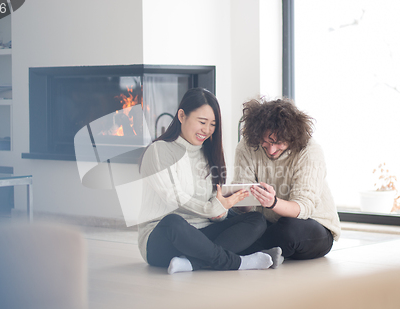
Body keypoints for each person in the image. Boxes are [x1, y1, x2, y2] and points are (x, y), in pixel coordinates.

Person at [137, 88, 281, 274]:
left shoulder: (209, 154)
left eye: (213, 124)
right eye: (202, 122)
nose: (207, 130)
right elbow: (173, 197)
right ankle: (237, 262)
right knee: (173, 222)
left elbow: (214, 202)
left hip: (202, 232)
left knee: (257, 220)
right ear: (182, 115)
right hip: (164, 239)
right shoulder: (158, 151)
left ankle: (192, 263)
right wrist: (212, 208)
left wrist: (221, 209)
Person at [233, 97, 341, 261]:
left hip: (311, 225)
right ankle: (259, 253)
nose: (271, 149)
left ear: (291, 136)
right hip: (270, 224)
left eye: (278, 142)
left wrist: (273, 202)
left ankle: (239, 252)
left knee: (289, 230)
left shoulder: (310, 151)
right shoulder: (247, 146)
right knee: (236, 220)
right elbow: (245, 206)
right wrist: (240, 201)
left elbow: (303, 207)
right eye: (265, 142)